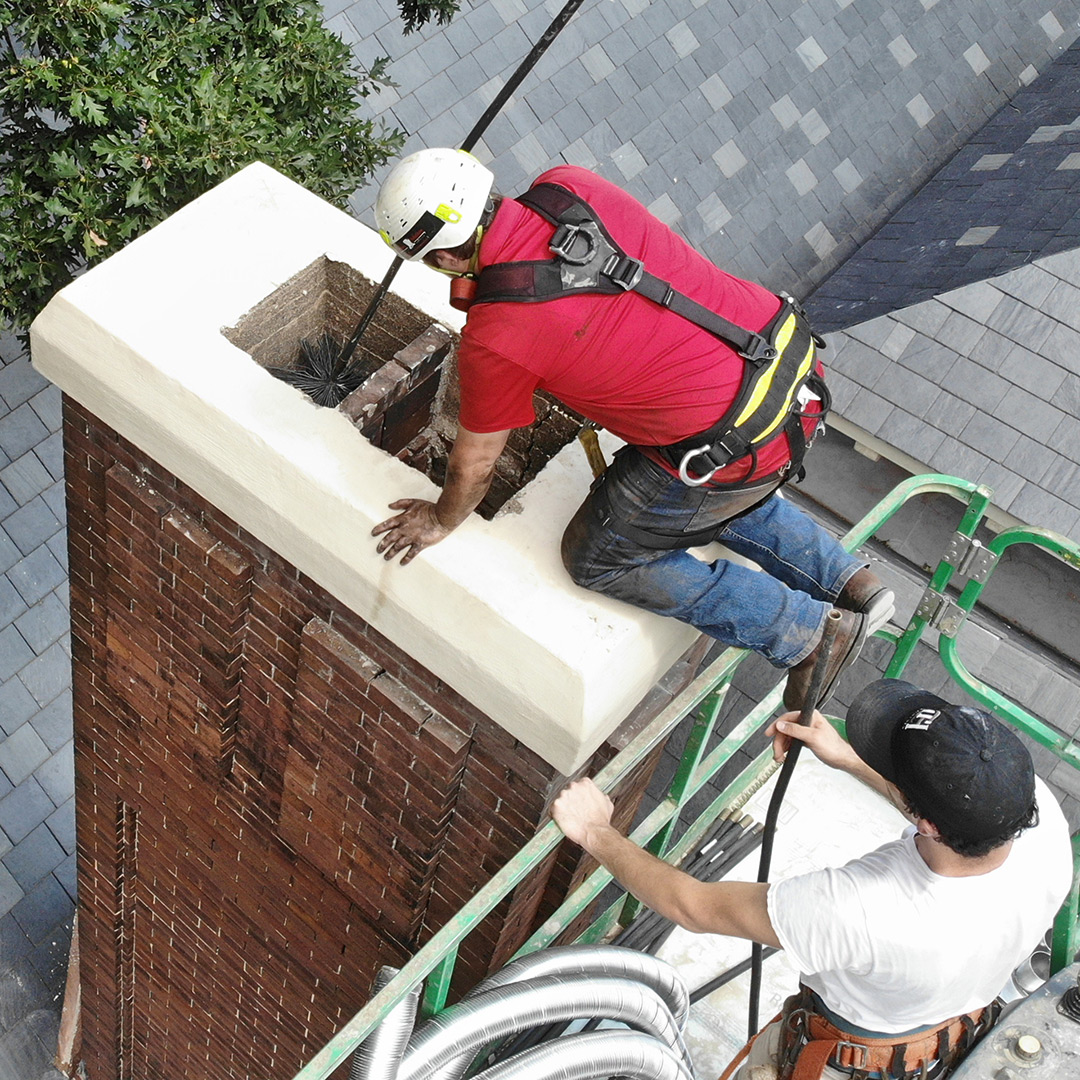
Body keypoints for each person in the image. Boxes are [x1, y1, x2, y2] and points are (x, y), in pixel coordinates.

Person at [370, 148, 895, 708]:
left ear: (447, 259)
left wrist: (440, 518)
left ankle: (807, 632)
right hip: (786, 373)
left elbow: (473, 468)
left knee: (597, 556)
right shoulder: (569, 185)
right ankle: (849, 582)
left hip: (727, 446)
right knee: (698, 500)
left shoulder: (498, 335)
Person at [551, 679, 1073, 1080]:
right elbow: (941, 817)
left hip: (839, 1061)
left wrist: (596, 831)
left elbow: (693, 905)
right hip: (943, 1034)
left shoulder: (862, 908)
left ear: (927, 824)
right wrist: (849, 761)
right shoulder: (1040, 818)